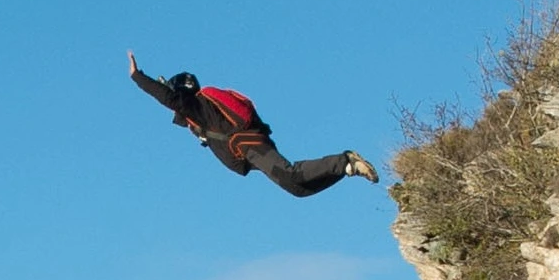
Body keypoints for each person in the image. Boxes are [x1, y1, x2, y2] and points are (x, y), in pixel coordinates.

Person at [128, 52, 379, 196]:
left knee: (291, 175)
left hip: (248, 146)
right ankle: (348, 168)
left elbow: (169, 98)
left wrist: (138, 76)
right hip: (249, 147)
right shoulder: (202, 110)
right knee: (297, 189)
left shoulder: (196, 104)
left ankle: (344, 160)